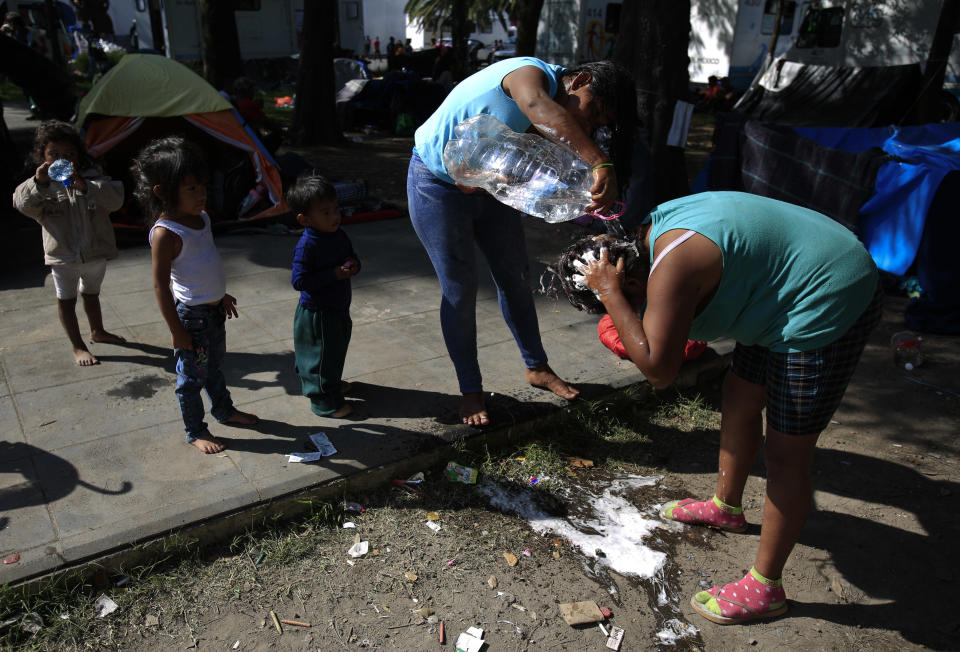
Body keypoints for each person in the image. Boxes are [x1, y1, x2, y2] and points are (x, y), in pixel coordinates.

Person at [556, 191, 881, 625]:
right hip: (782, 286)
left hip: (825, 294)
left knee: (786, 455)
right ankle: (727, 507)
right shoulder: (648, 241)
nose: (630, 314)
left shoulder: (670, 270)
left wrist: (611, 299)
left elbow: (659, 370)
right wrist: (620, 303)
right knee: (739, 394)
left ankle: (767, 588)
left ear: (630, 284)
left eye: (628, 303)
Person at [408, 57, 638, 426]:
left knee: (516, 278)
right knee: (459, 288)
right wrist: (599, 162)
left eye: (598, 125)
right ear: (579, 79)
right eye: (593, 110)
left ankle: (537, 367)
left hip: (484, 189)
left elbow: (521, 161)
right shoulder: (528, 74)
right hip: (436, 184)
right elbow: (535, 105)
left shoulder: (558, 120)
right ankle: (471, 391)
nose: (589, 125)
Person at [133, 136, 259, 454]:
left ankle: (224, 410)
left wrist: (221, 294)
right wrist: (177, 330)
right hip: (193, 320)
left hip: (214, 312)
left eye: (202, 185)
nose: (201, 193)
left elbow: (204, 263)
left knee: (214, 368)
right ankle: (195, 430)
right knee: (191, 379)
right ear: (162, 192)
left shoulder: (201, 218)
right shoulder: (165, 234)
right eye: (191, 189)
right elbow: (161, 285)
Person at [12, 120, 127, 366]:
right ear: (42, 155)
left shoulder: (93, 178)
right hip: (63, 256)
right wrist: (39, 183)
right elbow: (22, 205)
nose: (62, 159)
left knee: (92, 293)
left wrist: (86, 187)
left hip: (95, 253)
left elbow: (115, 200)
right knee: (66, 300)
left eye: (69, 153)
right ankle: (78, 346)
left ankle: (98, 331)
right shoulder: (40, 186)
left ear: (79, 155)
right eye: (54, 153)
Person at [287, 172, 360, 419]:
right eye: (326, 212)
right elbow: (299, 281)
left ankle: (331, 384)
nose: (335, 216)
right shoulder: (308, 244)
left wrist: (353, 264)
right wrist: (333, 274)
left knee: (334, 352)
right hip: (317, 313)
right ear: (305, 219)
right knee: (319, 357)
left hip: (338, 306)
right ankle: (323, 401)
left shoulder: (337, 234)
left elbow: (349, 255)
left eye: (336, 209)